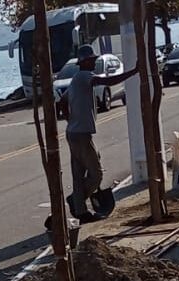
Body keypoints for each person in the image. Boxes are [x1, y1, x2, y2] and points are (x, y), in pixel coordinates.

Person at [57, 45, 138, 223]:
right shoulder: (85, 76)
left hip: (73, 133)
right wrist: (133, 72)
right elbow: (107, 81)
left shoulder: (75, 80)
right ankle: (77, 200)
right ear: (85, 61)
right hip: (81, 135)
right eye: (92, 60)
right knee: (96, 173)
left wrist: (71, 120)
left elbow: (62, 103)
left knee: (79, 173)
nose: (94, 62)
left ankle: (80, 210)